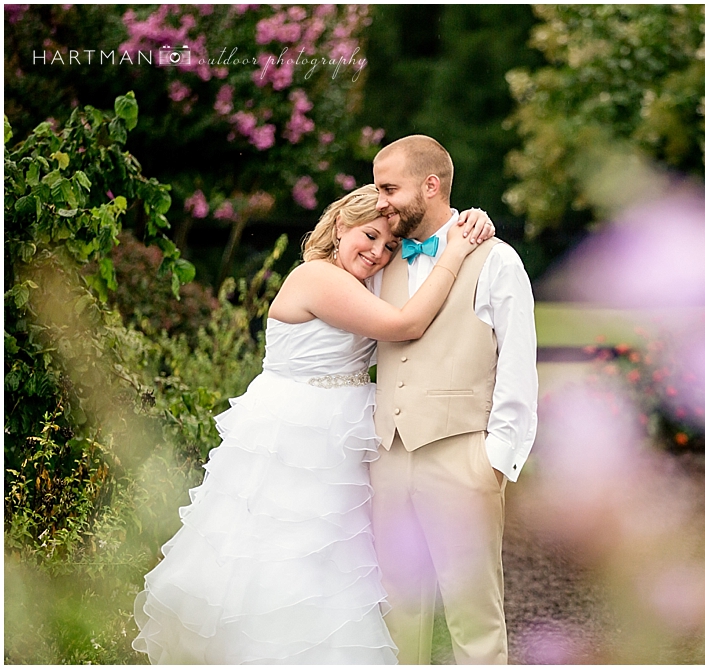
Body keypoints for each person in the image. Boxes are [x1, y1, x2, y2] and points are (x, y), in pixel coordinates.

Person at [131, 184, 496, 664]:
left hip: (340, 432)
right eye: (369, 235)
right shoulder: (317, 277)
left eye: (389, 246)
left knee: (334, 563)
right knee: (287, 556)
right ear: (341, 225)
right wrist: (456, 249)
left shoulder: (365, 282)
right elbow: (406, 325)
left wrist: (464, 222)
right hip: (297, 431)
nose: (378, 252)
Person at [370, 135, 538, 664]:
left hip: (463, 457)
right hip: (389, 458)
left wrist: (497, 460)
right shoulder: (378, 260)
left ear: (431, 185)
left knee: (474, 616)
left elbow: (517, 363)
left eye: (389, 188)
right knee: (398, 614)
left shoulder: (497, 260)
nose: (381, 201)